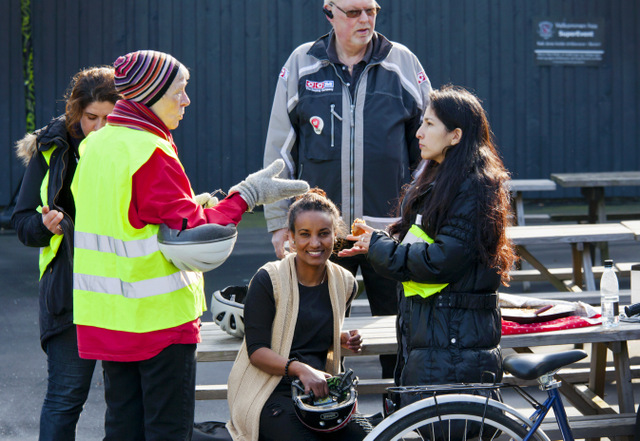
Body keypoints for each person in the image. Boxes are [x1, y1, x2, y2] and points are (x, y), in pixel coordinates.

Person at [70, 50, 309, 441]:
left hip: (106, 317)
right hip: (157, 320)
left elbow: (129, 217)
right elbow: (199, 232)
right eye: (179, 91)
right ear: (150, 94)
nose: (186, 100)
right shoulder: (151, 152)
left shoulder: (96, 145)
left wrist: (189, 203)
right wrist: (247, 195)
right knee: (168, 431)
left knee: (123, 427)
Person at [263, 0, 431, 381]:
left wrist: (418, 218)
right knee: (315, 333)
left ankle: (402, 411)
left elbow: (429, 148)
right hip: (322, 235)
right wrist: (278, 222)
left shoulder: (402, 62)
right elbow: (279, 153)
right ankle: (320, 416)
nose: (365, 20)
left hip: (389, 234)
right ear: (329, 12)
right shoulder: (303, 64)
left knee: (400, 330)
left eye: (371, 10)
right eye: (353, 12)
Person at [339, 85, 516, 389]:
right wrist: (377, 240)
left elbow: (440, 261)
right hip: (437, 332)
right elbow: (421, 241)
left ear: (455, 136)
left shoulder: (475, 186)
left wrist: (378, 246)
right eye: (421, 123)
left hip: (454, 336)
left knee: (450, 428)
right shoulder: (440, 179)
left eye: (429, 124)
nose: (419, 132)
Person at [11, 66, 120, 441]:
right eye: (92, 118)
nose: (100, 128)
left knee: (123, 402)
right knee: (65, 397)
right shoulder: (52, 146)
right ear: (76, 112)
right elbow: (21, 221)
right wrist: (47, 225)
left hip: (125, 292)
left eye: (110, 117)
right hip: (68, 293)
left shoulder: (135, 145)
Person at [227, 189, 366, 441]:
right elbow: (256, 351)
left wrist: (339, 338)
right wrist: (300, 369)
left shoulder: (344, 283)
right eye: (304, 234)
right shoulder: (268, 279)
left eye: (324, 234)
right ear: (290, 238)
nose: (315, 243)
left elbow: (308, 327)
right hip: (269, 391)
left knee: (369, 436)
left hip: (320, 393)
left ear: (336, 236)